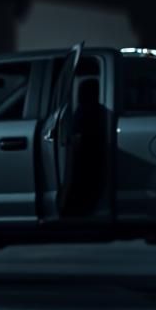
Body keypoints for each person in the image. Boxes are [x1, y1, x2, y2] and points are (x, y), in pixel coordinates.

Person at [65, 78, 107, 216]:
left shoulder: (82, 110)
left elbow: (76, 134)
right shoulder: (101, 110)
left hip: (86, 154)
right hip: (97, 154)